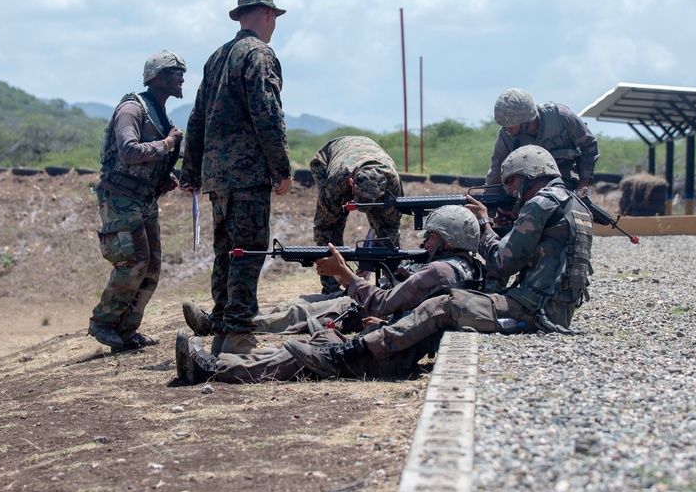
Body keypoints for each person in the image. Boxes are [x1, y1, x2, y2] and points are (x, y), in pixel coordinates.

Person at [284, 145, 594, 379]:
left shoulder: (539, 204)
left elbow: (502, 263)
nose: (511, 190)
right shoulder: (571, 203)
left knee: (444, 305)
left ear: (531, 173)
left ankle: (344, 355)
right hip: (555, 309)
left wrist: (485, 226)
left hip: (534, 310)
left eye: (513, 181)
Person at [175, 206, 484, 384]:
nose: (426, 242)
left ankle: (210, 370)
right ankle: (217, 363)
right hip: (393, 350)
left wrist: (344, 273)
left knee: (296, 359)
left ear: (449, 239)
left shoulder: (439, 271)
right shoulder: (464, 269)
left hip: (387, 357)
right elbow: (416, 315)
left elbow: (382, 302)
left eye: (432, 236)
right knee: (304, 347)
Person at [179, 0, 292, 356]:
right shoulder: (259, 54)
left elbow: (197, 119)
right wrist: (281, 168)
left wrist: (191, 172)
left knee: (226, 251)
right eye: (274, 16)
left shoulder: (217, 57)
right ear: (266, 15)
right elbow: (267, 113)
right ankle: (239, 333)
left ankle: (224, 324)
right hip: (247, 174)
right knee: (247, 251)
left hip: (217, 176)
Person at [87, 50, 187, 351]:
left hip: (143, 198)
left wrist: (163, 177)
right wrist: (168, 143)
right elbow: (129, 150)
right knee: (132, 263)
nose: (181, 77)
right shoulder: (132, 109)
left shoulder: (158, 112)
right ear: (157, 77)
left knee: (152, 266)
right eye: (174, 72)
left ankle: (127, 330)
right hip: (121, 197)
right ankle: (103, 322)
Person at [310, 135, 404, 293]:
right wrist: (338, 271)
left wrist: (370, 264)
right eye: (360, 200)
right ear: (352, 184)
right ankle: (331, 290)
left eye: (369, 203)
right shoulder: (336, 182)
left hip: (367, 159)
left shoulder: (391, 183)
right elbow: (324, 228)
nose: (364, 208)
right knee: (334, 223)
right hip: (328, 159)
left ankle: (392, 287)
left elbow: (391, 227)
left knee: (386, 229)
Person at [486, 88, 599, 195]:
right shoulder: (506, 136)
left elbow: (589, 145)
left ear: (526, 120)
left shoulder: (562, 117)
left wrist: (583, 182)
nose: (507, 130)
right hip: (528, 188)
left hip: (567, 181)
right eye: (504, 126)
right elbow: (497, 167)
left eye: (511, 125)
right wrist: (489, 197)